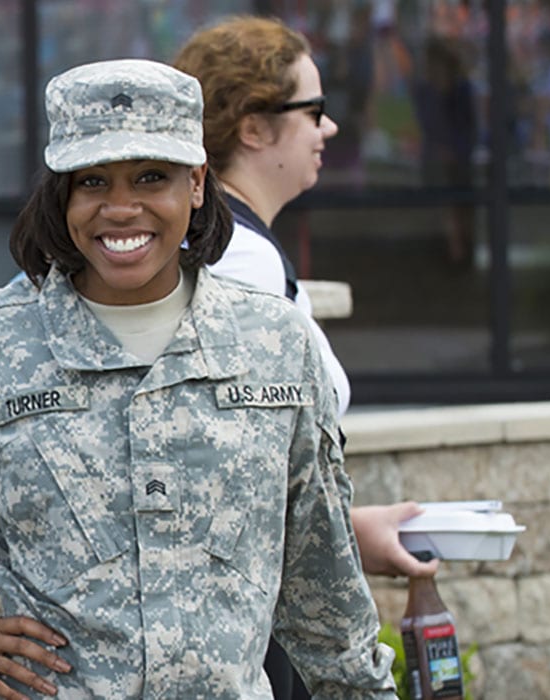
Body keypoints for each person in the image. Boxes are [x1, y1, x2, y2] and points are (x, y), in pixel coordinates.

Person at [0, 58, 395, 699]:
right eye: (92, 181)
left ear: (197, 183)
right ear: (62, 194)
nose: (120, 208)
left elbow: (323, 578)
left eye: (151, 177)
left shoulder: (277, 344)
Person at [173, 16, 444, 698]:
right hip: (247, 632)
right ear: (255, 128)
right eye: (313, 112)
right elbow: (228, 480)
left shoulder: (237, 249)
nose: (329, 130)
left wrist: (348, 532)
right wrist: (347, 535)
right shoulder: (239, 259)